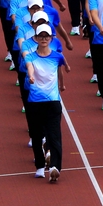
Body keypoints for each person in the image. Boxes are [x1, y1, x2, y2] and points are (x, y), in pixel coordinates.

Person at [25, 23, 68, 181]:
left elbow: (60, 71)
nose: (44, 39)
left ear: (51, 38)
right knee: (36, 135)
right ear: (35, 38)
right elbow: (29, 67)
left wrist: (62, 84)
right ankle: (40, 166)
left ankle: (55, 167)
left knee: (54, 135)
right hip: (35, 102)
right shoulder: (30, 56)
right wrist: (31, 76)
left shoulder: (57, 56)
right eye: (41, 36)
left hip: (52, 101)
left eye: (46, 36)